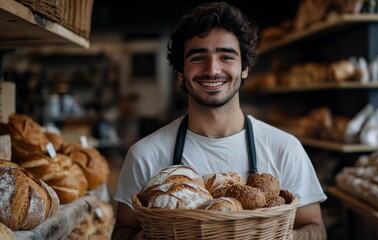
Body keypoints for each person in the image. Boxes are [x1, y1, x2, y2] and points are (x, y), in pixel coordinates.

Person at [112, 2, 327, 240]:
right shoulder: (145, 154)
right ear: (180, 72)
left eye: (226, 56)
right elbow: (122, 233)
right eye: (197, 58)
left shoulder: (284, 149)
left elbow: (315, 230)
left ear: (244, 68)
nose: (213, 69)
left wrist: (281, 237)